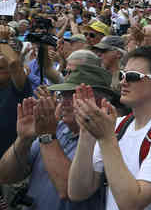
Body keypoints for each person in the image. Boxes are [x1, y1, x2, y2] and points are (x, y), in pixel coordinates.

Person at [67, 45, 151, 210]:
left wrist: (106, 138)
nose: (123, 81)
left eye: (133, 76)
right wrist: (87, 133)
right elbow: (78, 192)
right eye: (122, 74)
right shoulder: (119, 125)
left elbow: (131, 203)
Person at [0, 64, 113, 210]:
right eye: (62, 95)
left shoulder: (106, 139)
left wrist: (47, 137)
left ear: (100, 101)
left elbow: (69, 191)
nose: (64, 102)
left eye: (73, 95)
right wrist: (23, 139)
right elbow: (6, 176)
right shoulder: (58, 128)